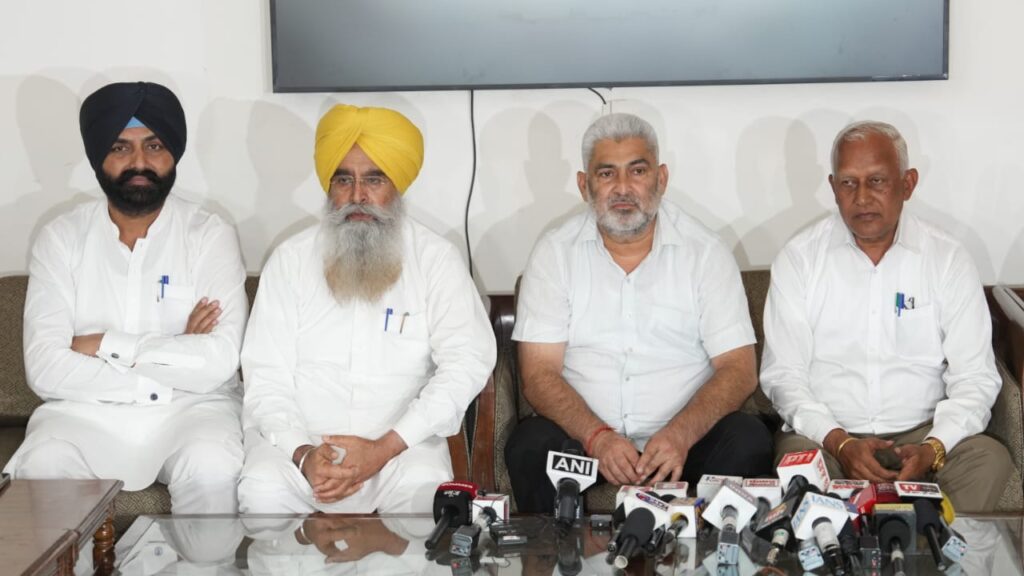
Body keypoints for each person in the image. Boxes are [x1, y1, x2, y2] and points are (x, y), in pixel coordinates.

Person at [505, 113, 773, 512]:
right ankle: (560, 551)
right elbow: (538, 375)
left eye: (637, 171)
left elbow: (739, 369)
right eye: (606, 174)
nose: (623, 188)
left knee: (748, 439)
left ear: (661, 179)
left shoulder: (705, 252)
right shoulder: (554, 253)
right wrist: (597, 439)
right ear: (584, 185)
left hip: (685, 448)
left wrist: (680, 435)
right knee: (530, 445)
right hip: (586, 448)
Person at [237, 104, 496, 514]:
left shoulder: (436, 260)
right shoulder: (290, 260)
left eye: (374, 179)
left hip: (400, 451)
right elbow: (266, 375)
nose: (358, 196)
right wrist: (303, 454)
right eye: (344, 179)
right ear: (329, 186)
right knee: (262, 490)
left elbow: (467, 362)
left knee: (423, 496)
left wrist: (385, 448)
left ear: (397, 185)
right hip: (301, 450)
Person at [4, 81, 247, 513]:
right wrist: (175, 356)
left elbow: (219, 361)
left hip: (193, 412)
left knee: (211, 466)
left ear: (173, 153)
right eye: (120, 147)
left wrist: (101, 344)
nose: (139, 163)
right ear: (99, 156)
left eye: (154, 146)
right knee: (43, 464)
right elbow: (43, 367)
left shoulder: (209, 234)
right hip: (83, 413)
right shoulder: (61, 237)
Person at [761, 120, 1012, 511]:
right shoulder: (799, 259)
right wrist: (840, 442)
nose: (862, 197)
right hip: (827, 437)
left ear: (907, 184)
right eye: (848, 183)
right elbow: (783, 376)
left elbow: (975, 376)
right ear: (833, 187)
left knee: (988, 460)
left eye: (876, 181)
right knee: (798, 464)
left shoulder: (947, 258)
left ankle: (934, 546)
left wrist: (933, 447)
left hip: (922, 434)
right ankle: (846, 548)